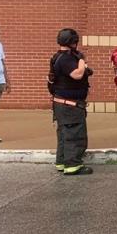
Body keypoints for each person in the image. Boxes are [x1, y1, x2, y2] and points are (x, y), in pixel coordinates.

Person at [50, 28, 93, 175]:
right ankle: (73, 166)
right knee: (75, 135)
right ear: (73, 42)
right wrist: (82, 61)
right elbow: (77, 75)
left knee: (64, 134)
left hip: (61, 104)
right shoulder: (67, 58)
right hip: (70, 105)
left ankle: (62, 162)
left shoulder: (57, 56)